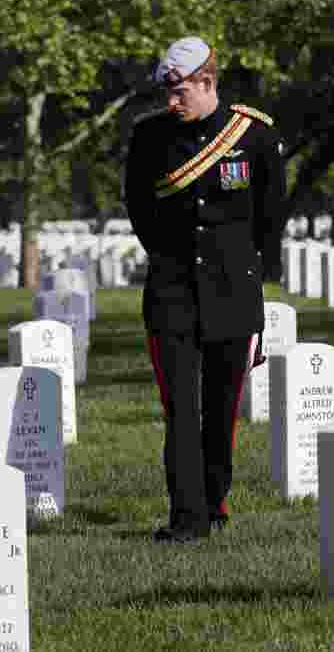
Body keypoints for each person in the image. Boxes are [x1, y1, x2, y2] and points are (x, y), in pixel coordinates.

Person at [124, 36, 285, 543]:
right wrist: (170, 259)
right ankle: (186, 518)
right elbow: (139, 208)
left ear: (207, 82)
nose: (172, 102)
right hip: (172, 293)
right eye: (168, 92)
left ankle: (215, 501)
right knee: (180, 409)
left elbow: (269, 218)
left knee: (221, 406)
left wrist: (253, 285)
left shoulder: (253, 136)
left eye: (180, 92)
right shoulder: (150, 137)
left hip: (232, 290)